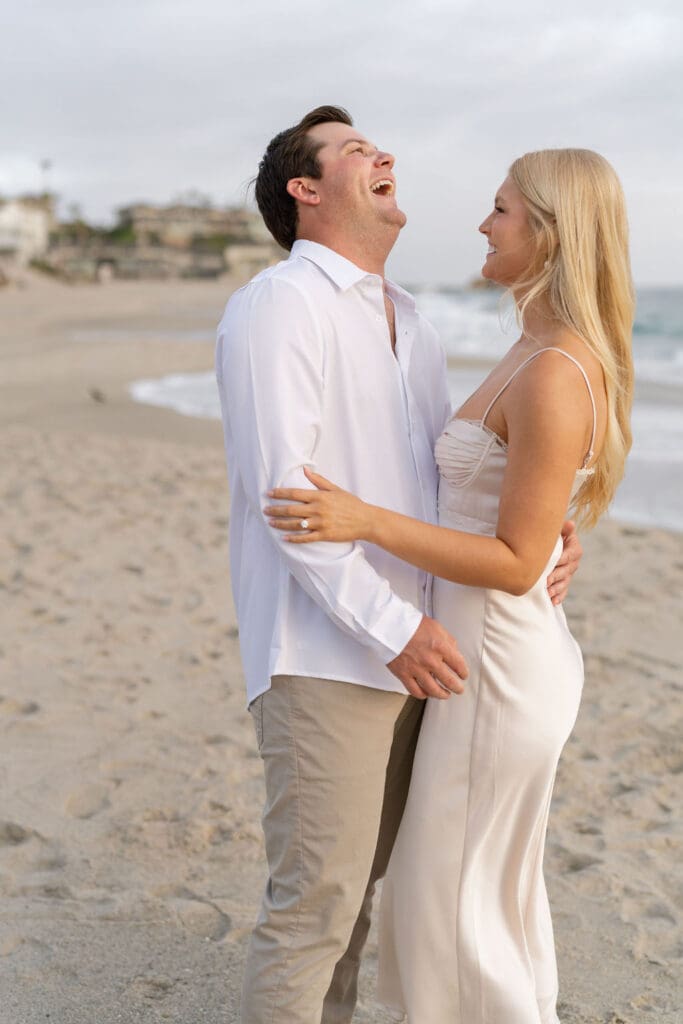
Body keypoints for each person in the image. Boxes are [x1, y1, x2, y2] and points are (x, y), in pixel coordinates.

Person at [216, 106, 582, 1024]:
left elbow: (429, 480)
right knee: (313, 911)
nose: (380, 154)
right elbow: (287, 498)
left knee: (356, 904)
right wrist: (393, 630)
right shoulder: (278, 304)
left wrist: (545, 529)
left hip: (421, 651)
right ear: (306, 191)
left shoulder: (410, 320)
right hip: (328, 653)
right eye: (350, 151)